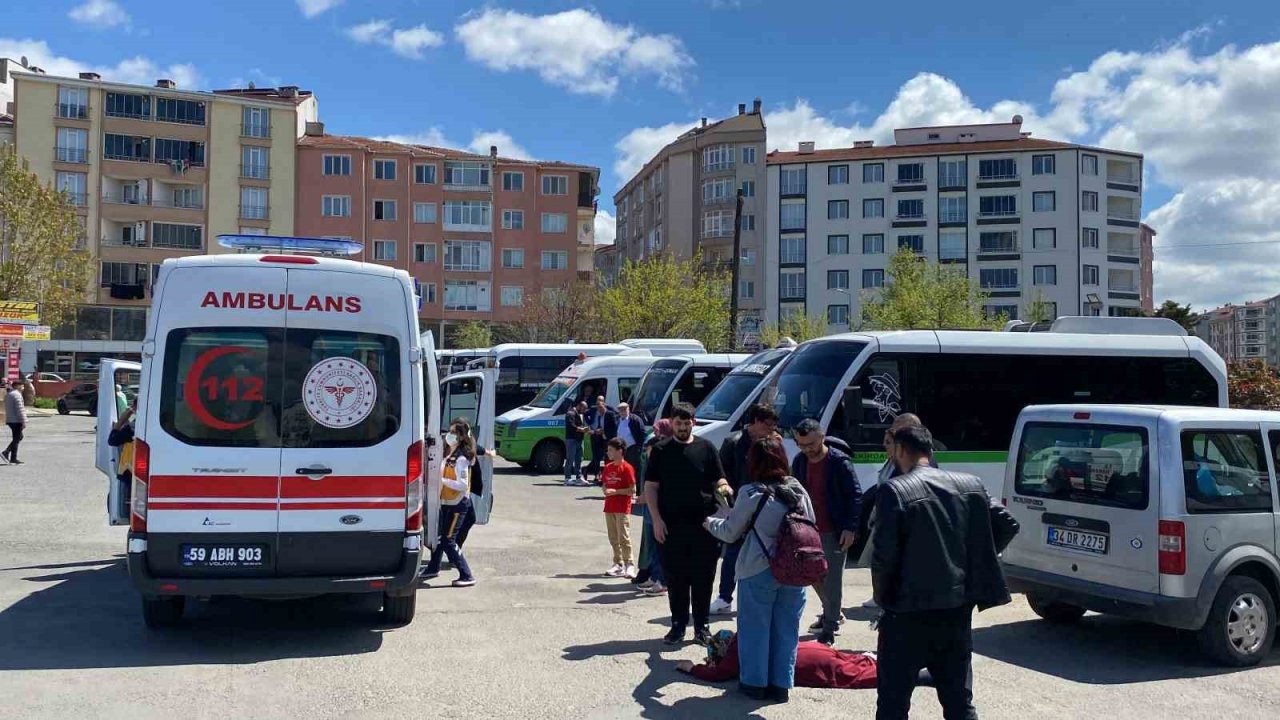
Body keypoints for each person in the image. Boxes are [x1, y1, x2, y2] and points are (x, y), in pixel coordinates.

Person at [871, 425, 1020, 720]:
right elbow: (1008, 524)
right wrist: (972, 561)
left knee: (893, 703)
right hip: (956, 609)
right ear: (931, 450)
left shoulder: (895, 490)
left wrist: (883, 599)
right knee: (958, 701)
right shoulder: (970, 484)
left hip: (907, 611)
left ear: (901, 449)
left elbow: (883, 558)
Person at [703, 437, 813, 702]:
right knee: (787, 629)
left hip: (758, 567)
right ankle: (781, 685)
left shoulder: (751, 492)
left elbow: (730, 532)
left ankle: (754, 683)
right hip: (795, 569)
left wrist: (710, 522)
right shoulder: (798, 490)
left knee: (755, 628)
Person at [645, 402, 731, 646]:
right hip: (671, 526)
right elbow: (651, 487)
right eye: (678, 423)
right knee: (676, 578)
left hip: (704, 525)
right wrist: (657, 520)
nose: (682, 427)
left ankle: (701, 626)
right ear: (671, 423)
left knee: (703, 578)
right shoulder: (661, 450)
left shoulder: (707, 448)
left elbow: (719, 477)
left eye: (687, 423)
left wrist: (724, 486)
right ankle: (678, 625)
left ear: (694, 422)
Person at [792, 419, 863, 646]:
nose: (807, 450)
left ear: (822, 437)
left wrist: (850, 528)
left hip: (834, 530)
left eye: (810, 444)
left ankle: (830, 627)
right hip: (808, 530)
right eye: (802, 445)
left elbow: (855, 495)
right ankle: (831, 611)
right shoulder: (800, 461)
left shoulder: (839, 462)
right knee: (811, 574)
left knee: (832, 579)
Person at [675, 630, 935, 690]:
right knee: (854, 662)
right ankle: (911, 659)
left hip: (808, 663)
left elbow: (721, 674)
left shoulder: (738, 654)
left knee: (853, 676)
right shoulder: (748, 631)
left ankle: (920, 676)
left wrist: (692, 669)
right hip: (810, 649)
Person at [710, 403, 779, 616]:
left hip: (767, 505)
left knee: (768, 552)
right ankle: (724, 597)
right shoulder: (734, 442)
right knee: (732, 552)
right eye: (768, 424)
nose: (772, 429)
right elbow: (721, 473)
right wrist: (726, 492)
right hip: (740, 505)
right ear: (756, 421)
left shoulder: (772, 442)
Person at [421, 421, 478, 587]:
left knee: (448, 540)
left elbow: (462, 484)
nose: (448, 435)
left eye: (452, 433)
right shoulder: (448, 453)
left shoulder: (461, 458)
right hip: (446, 502)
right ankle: (433, 567)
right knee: (439, 538)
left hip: (457, 504)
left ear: (460, 437)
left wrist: (443, 481)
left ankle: (466, 574)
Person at [634, 418, 673, 595]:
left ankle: (661, 580)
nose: (648, 454)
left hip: (658, 508)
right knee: (653, 545)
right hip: (650, 508)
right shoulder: (654, 455)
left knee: (659, 546)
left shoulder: (664, 459)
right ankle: (654, 576)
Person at [601, 437, 637, 578]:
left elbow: (632, 489)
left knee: (623, 537)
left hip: (622, 507)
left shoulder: (627, 468)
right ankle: (618, 563)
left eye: (611, 450)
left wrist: (615, 492)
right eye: (608, 449)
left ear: (620, 451)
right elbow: (604, 483)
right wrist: (605, 489)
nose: (608, 452)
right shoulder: (608, 467)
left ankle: (630, 564)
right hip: (609, 507)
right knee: (613, 537)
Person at [585, 395, 617, 483]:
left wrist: (603, 431)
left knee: (607, 456)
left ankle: (605, 476)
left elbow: (614, 424)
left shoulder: (609, 412)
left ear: (604, 404)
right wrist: (590, 423)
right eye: (598, 408)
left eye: (601, 408)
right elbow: (585, 413)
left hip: (605, 437)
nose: (599, 410)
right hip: (596, 436)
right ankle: (596, 475)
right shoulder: (593, 409)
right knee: (596, 456)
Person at [564, 400, 589, 486]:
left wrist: (586, 429)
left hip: (579, 440)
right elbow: (571, 426)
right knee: (570, 459)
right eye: (584, 408)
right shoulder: (570, 413)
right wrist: (581, 429)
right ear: (579, 406)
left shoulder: (581, 415)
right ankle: (567, 478)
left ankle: (578, 477)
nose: (584, 410)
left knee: (579, 459)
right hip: (571, 439)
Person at [615, 402, 646, 470]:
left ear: (628, 409)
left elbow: (642, 433)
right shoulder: (617, 419)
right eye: (620, 410)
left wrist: (639, 447)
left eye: (624, 409)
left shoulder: (635, 419)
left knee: (633, 467)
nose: (622, 412)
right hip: (620, 448)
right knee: (622, 467)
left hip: (632, 449)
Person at [3, 379, 26, 464]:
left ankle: (11, 456)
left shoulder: (9, 394)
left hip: (10, 419)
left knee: (18, 437)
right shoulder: (17, 395)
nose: (23, 387)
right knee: (17, 438)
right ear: (17, 386)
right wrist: (23, 421)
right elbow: (20, 409)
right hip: (16, 420)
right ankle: (7, 453)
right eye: (22, 385)